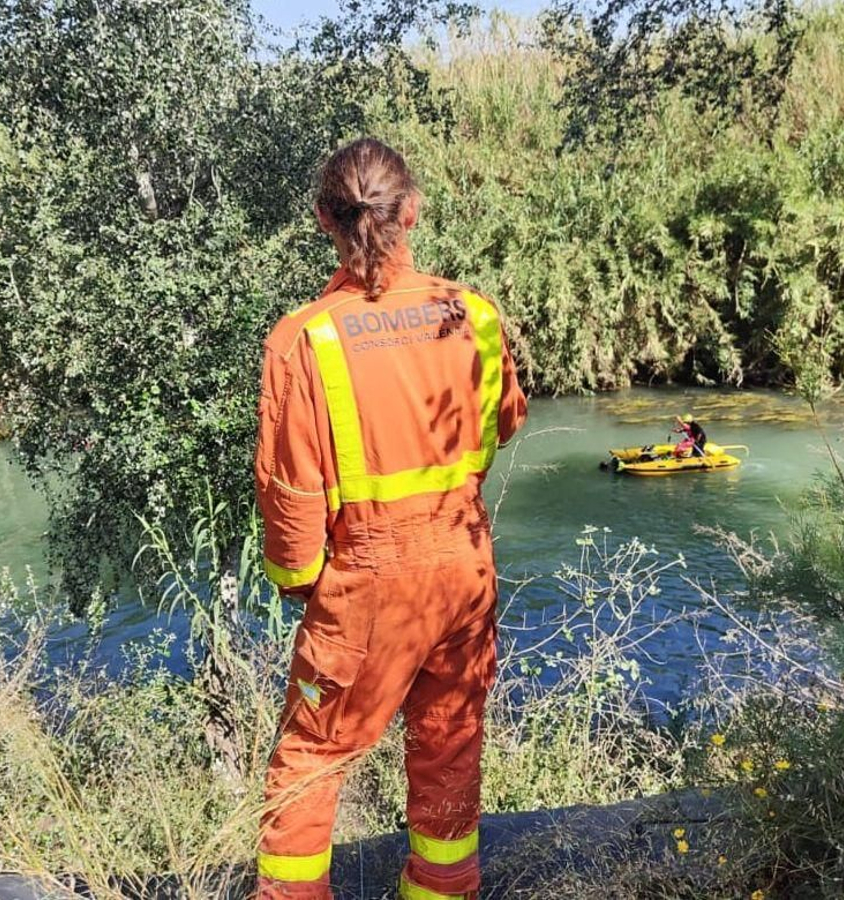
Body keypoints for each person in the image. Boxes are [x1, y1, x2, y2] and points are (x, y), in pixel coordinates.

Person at [253, 138, 529, 900]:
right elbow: (501, 424)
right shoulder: (471, 315)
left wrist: (308, 585)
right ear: (412, 212)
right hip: (464, 569)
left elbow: (291, 500)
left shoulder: (304, 340)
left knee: (311, 759)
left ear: (323, 220)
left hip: (369, 580)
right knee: (449, 746)